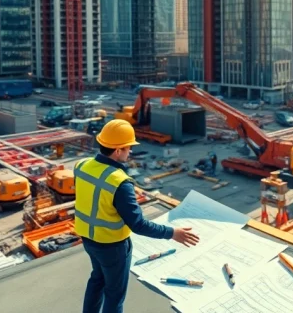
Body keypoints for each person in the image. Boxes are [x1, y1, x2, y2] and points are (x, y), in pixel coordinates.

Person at [75, 120, 200, 313]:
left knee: (97, 279)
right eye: (128, 148)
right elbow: (138, 224)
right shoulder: (120, 182)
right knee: (114, 295)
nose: (130, 152)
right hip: (112, 246)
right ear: (117, 150)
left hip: (88, 239)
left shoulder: (81, 166)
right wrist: (172, 233)